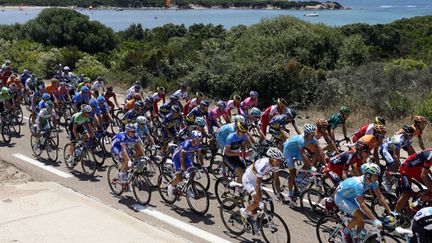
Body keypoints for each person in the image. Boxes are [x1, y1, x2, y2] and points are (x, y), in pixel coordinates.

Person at [334, 163, 394, 242]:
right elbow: (362, 204)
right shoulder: (359, 184)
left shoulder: (373, 182)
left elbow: (380, 197)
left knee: (361, 222)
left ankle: (357, 240)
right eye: (375, 175)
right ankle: (344, 231)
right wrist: (375, 220)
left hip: (350, 197)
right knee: (361, 216)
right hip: (341, 198)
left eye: (377, 175)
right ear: (368, 175)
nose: (377, 178)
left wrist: (390, 212)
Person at [240, 147, 284, 233]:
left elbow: (276, 179)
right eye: (277, 160)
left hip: (256, 181)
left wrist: (278, 193)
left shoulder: (275, 164)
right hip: (248, 180)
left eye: (280, 160)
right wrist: (258, 198)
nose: (279, 162)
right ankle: (244, 212)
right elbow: (257, 183)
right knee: (258, 201)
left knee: (262, 203)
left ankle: (254, 215)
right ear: (271, 159)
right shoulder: (263, 165)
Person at [283, 124, 319, 202]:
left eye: (314, 134)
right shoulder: (301, 139)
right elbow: (303, 154)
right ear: (306, 134)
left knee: (305, 165)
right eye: (311, 134)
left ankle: (299, 178)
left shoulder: (313, 139)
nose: (313, 136)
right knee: (292, 172)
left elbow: (318, 150)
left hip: (297, 151)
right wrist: (312, 166)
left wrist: (325, 161)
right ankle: (290, 193)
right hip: (289, 151)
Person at [167, 130, 204, 199]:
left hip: (186, 157)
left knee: (192, 172)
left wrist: (202, 165)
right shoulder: (187, 144)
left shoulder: (199, 144)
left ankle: (189, 186)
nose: (198, 141)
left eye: (200, 139)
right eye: (197, 140)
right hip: (177, 158)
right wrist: (185, 171)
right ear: (193, 139)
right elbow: (181, 159)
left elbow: (200, 155)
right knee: (179, 177)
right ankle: (170, 187)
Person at [394, 149, 432, 213]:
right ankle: (395, 214)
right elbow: (423, 175)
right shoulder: (431, 156)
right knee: (406, 195)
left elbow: (427, 170)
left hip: (419, 170)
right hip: (406, 170)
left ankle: (415, 206)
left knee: (430, 189)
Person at [379, 125, 415, 191]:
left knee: (396, 167)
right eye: (409, 135)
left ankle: (391, 177)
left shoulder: (407, 139)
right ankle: (385, 182)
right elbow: (396, 156)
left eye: (412, 135)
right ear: (405, 134)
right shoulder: (398, 140)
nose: (411, 137)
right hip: (385, 149)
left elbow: (412, 153)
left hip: (392, 149)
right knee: (393, 164)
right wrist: (401, 166)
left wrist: (416, 159)